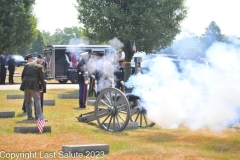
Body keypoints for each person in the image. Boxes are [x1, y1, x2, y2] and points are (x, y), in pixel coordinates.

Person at [20, 53, 45, 120]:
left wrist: (24, 83)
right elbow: (42, 79)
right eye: (42, 61)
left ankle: (29, 116)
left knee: (28, 101)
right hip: (33, 85)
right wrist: (44, 88)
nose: (42, 63)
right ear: (40, 61)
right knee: (37, 100)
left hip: (25, 84)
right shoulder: (40, 67)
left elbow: (23, 76)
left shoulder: (27, 64)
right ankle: (39, 116)